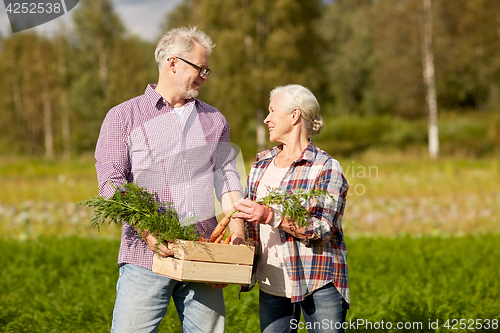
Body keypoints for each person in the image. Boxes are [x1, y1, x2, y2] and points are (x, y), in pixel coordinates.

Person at [94, 26, 244, 332]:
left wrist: (237, 233)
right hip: (145, 256)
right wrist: (149, 231)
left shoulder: (215, 120)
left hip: (205, 255)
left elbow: (227, 177)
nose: (204, 75)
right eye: (199, 68)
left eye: (207, 69)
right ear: (172, 63)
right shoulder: (124, 117)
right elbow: (111, 182)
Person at [233, 84, 350, 333]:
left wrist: (270, 215)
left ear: (294, 115)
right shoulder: (261, 164)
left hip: (317, 283)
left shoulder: (325, 167)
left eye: (272, 111)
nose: (267, 119)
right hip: (271, 285)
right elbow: (245, 219)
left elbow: (322, 229)